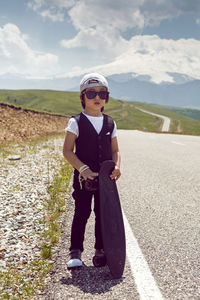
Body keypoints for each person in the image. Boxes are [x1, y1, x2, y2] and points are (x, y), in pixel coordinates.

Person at [63, 72, 121, 269]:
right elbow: (67, 150)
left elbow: (115, 151)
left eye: (102, 94)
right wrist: (83, 169)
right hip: (84, 178)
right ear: (82, 97)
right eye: (91, 93)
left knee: (102, 213)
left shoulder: (110, 123)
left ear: (107, 98)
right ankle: (75, 252)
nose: (97, 98)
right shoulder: (76, 122)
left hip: (106, 180)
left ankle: (100, 251)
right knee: (81, 212)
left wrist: (117, 166)